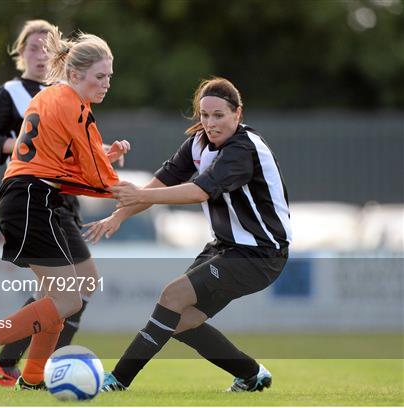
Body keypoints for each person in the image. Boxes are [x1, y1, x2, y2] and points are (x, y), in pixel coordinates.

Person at [84, 77, 292, 392]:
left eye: (218, 115)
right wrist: (119, 214)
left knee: (172, 296)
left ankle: (116, 382)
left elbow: (199, 192)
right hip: (227, 248)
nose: (210, 122)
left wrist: (138, 196)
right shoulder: (197, 143)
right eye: (204, 115)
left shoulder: (243, 149)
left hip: (260, 255)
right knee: (179, 322)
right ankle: (252, 375)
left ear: (238, 114)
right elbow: (160, 183)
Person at [0, 25, 128, 393]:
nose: (107, 83)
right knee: (68, 297)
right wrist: (131, 193)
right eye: (100, 76)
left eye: (110, 76)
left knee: (67, 293)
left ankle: (32, 379)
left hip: (27, 197)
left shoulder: (50, 98)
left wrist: (104, 157)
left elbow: (70, 165)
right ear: (76, 74)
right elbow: (98, 177)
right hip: (33, 200)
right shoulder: (73, 106)